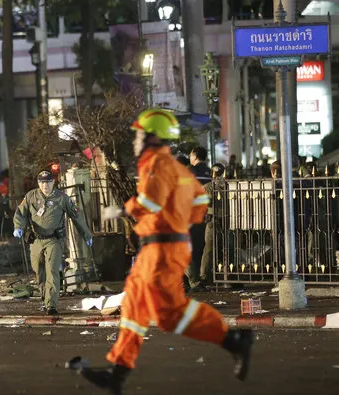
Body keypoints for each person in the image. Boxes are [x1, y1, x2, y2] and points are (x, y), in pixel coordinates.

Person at [70, 109, 253, 394]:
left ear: (152, 137)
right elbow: (200, 203)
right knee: (133, 308)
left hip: (162, 249)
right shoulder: (175, 168)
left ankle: (233, 340)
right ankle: (117, 373)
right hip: (159, 247)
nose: (135, 140)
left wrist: (120, 209)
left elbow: (150, 204)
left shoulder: (156, 164)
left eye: (139, 135)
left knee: (169, 315)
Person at [13, 170, 93, 315]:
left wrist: (86, 234)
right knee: (39, 271)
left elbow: (76, 216)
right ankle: (45, 298)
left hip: (54, 240)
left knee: (52, 271)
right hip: (36, 240)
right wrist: (18, 227)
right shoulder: (31, 196)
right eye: (42, 182)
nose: (45, 185)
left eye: (48, 182)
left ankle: (51, 304)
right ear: (38, 183)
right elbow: (21, 213)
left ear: (53, 182)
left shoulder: (61, 198)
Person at [186, 146, 211, 291]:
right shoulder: (209, 172)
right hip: (206, 215)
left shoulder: (192, 173)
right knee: (201, 247)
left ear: (195, 156)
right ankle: (202, 277)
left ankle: (193, 280)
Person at [199, 163, 226, 288]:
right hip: (227, 221)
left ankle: (205, 276)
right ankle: (229, 276)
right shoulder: (228, 186)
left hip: (212, 220)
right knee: (227, 249)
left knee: (209, 250)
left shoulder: (206, 187)